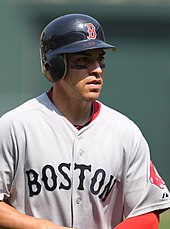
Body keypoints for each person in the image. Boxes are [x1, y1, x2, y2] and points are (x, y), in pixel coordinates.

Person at [0, 13, 170, 229]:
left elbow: (148, 211)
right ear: (56, 66)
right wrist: (40, 226)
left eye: (100, 58)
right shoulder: (16, 126)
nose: (97, 69)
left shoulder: (125, 132)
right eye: (83, 60)